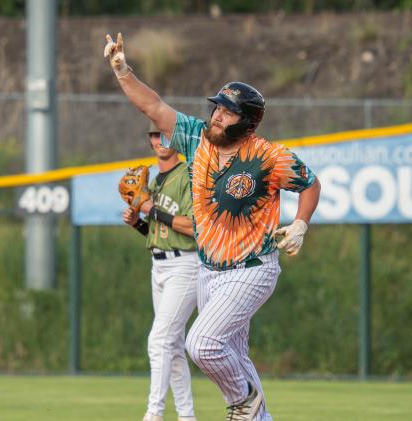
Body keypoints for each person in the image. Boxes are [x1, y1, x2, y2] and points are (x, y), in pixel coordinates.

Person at [106, 33, 321, 421]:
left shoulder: (269, 156)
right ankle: (258, 416)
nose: (217, 115)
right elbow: (153, 107)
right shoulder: (195, 139)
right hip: (209, 271)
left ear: (249, 121)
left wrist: (300, 223)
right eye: (217, 108)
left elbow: (310, 183)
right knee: (235, 355)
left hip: (251, 269)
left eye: (227, 111)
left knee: (202, 344)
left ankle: (243, 403)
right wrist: (123, 71)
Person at [122, 122, 200, 421]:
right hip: (160, 265)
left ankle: (153, 414)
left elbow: (194, 229)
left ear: (177, 140)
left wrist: (150, 209)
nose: (161, 140)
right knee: (173, 346)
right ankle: (186, 417)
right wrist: (139, 223)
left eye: (166, 134)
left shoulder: (187, 176)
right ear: (151, 141)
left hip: (186, 266)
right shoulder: (154, 182)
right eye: (156, 135)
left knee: (159, 341)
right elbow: (161, 235)